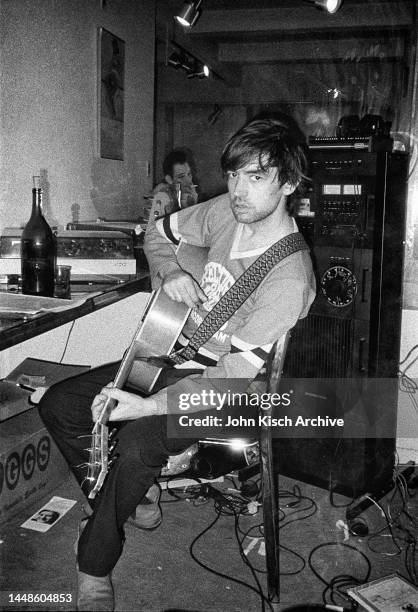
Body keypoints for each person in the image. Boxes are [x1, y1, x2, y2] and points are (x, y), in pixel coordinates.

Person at [39, 114, 316, 611]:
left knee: (142, 437)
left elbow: (232, 376)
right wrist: (168, 274)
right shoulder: (225, 216)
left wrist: (144, 407)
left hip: (231, 389)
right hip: (173, 354)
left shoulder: (289, 278)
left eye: (256, 177)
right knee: (62, 403)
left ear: (289, 183)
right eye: (233, 175)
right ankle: (128, 496)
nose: (238, 189)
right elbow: (158, 234)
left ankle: (95, 561)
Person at [147, 149, 198, 221]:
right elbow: (152, 229)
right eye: (181, 176)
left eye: (189, 174)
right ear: (169, 179)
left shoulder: (191, 195)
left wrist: (194, 205)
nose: (188, 181)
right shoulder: (162, 197)